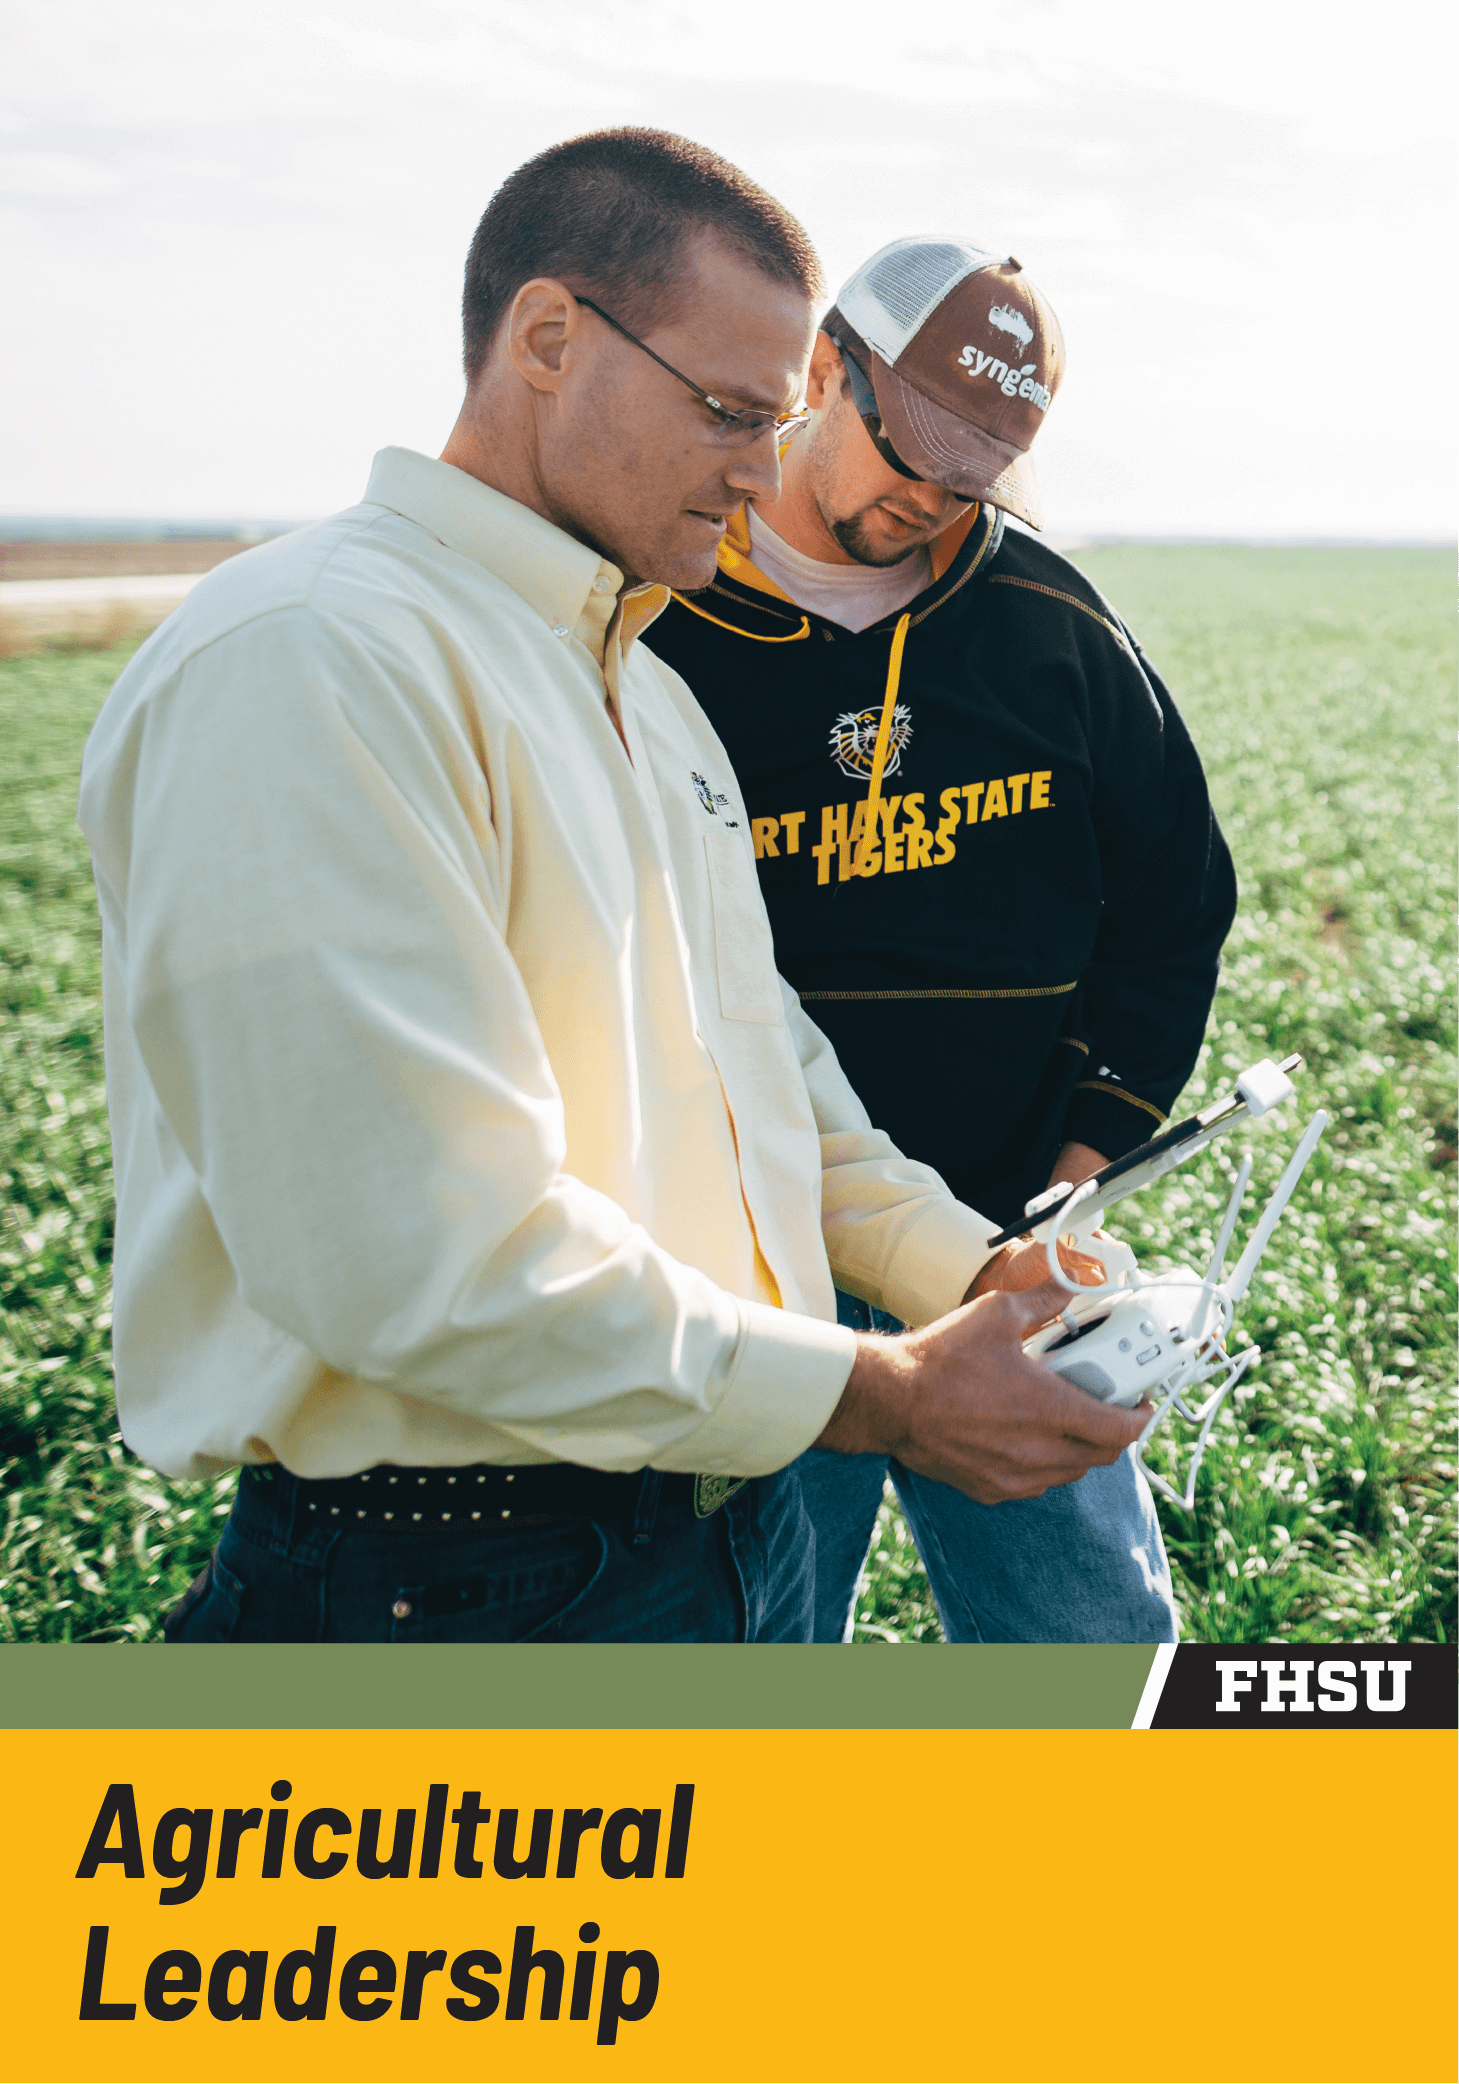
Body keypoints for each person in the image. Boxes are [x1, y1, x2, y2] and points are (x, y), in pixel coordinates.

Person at [78, 141, 1149, 1646]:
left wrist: (972, 1268)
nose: (761, 470)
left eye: (773, 424)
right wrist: (877, 1396)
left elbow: (766, 1085)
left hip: (722, 1526)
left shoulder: (644, 691)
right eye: (726, 411)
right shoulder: (315, 658)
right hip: (454, 1585)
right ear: (544, 339)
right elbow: (410, 1254)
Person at [648, 235, 1238, 1642]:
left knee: (1092, 1643)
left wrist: (1074, 1182)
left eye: (964, 476)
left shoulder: (1050, 625)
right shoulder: (655, 607)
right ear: (817, 369)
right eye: (898, 448)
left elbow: (1173, 908)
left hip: (997, 1249)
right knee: (759, 1643)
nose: (920, 500)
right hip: (746, 1263)